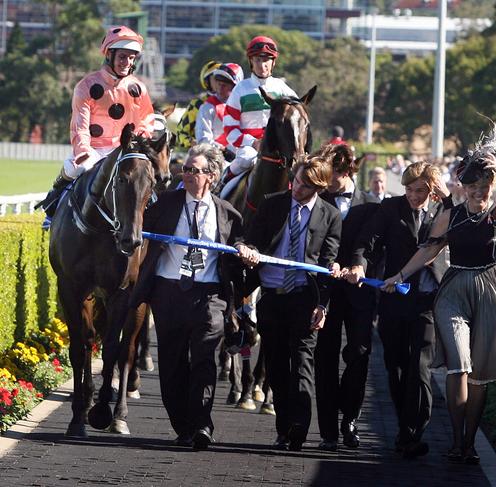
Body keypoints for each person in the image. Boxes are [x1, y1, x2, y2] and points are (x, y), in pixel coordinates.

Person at [374, 131, 496, 464]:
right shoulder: (451, 216)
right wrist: (400, 275)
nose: (479, 194)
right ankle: (455, 438)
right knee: (458, 365)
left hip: (489, 288)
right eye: (473, 188)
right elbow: (428, 253)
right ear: (462, 187)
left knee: (479, 374)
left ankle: (467, 444)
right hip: (454, 289)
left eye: (484, 188)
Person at [130, 143, 245, 450]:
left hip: (209, 297)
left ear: (213, 175)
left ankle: (203, 424)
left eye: (195, 170)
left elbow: (241, 247)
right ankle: (183, 425)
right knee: (172, 365)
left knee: (205, 359)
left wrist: (248, 253)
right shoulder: (165, 204)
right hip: (169, 293)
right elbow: (134, 228)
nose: (188, 175)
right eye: (186, 169)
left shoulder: (228, 214)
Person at [345, 161, 452, 459]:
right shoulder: (391, 208)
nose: (413, 196)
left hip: (427, 299)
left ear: (432, 190)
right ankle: (406, 428)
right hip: (393, 297)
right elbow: (367, 242)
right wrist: (359, 264)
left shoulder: (443, 210)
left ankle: (413, 430)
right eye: (408, 190)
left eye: (420, 190)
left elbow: (461, 212)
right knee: (396, 366)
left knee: (419, 366)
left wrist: (445, 195)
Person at [236, 155, 342, 452]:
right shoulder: (272, 203)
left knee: (303, 364)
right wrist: (247, 250)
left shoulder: (330, 216)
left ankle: (300, 427)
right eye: (296, 181)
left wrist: (323, 306)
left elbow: (327, 264)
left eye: (306, 186)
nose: (297, 188)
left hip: (304, 298)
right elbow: (253, 239)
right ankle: (283, 427)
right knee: (277, 366)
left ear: (318, 188)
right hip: (271, 297)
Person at [38, 25, 154, 217]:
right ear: (109, 55)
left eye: (131, 57)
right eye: (123, 57)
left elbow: (147, 121)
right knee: (78, 166)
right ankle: (54, 204)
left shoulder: (138, 88)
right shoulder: (86, 86)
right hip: (94, 150)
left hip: (125, 150)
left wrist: (137, 145)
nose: (127, 62)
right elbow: (79, 128)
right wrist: (83, 151)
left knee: (150, 176)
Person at [313, 144, 379, 452]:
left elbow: (371, 246)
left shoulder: (371, 204)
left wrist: (358, 266)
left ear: (346, 172)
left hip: (359, 292)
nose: (326, 183)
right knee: (324, 358)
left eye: (332, 177)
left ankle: (350, 419)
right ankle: (328, 430)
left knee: (359, 354)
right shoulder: (318, 200)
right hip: (324, 293)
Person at [222, 36, 297, 180]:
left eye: (266, 60)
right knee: (245, 159)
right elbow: (230, 129)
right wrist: (253, 142)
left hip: (278, 147)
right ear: (251, 61)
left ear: (273, 62)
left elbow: (298, 114)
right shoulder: (240, 89)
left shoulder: (281, 88)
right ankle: (222, 184)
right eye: (257, 60)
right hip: (249, 148)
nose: (262, 65)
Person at [194, 62, 243, 157]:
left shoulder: (245, 106)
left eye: (225, 85)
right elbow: (203, 139)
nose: (220, 88)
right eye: (219, 84)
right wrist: (223, 150)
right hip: (217, 158)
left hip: (243, 155)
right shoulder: (207, 107)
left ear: (235, 86)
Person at [175, 60, 219, 150]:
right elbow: (181, 133)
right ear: (207, 82)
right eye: (216, 78)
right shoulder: (197, 104)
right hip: (205, 154)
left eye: (224, 79)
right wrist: (193, 142)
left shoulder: (235, 102)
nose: (221, 82)